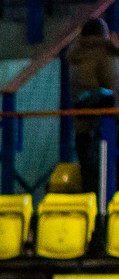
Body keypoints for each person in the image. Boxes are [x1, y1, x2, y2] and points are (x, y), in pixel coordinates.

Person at [69, 18, 119, 194]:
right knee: (109, 175)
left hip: (82, 122)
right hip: (108, 124)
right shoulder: (105, 52)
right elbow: (113, 86)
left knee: (88, 175)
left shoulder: (76, 53)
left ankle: (91, 205)